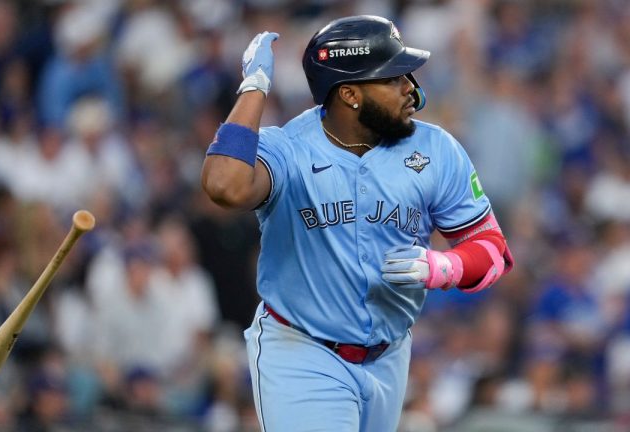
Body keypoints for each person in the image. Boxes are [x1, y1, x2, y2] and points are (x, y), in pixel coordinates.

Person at [200, 15, 515, 432]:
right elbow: (224, 185)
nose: (410, 88)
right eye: (393, 78)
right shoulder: (289, 149)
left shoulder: (436, 149)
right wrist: (255, 86)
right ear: (349, 94)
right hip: (303, 350)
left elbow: (494, 251)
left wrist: (446, 267)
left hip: (389, 355)